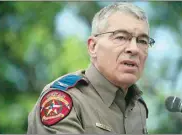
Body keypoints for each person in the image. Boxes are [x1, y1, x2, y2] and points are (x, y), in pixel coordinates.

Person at [27, 2, 155, 134]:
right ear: (93, 47)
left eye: (142, 41)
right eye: (121, 37)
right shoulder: (64, 100)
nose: (134, 49)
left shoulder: (138, 106)